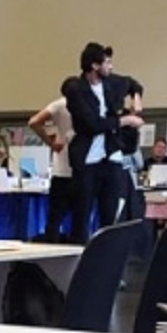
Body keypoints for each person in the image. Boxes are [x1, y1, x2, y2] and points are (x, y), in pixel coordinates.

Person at [63, 42, 144, 243]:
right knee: (82, 214)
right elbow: (92, 124)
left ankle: (107, 255)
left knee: (110, 214)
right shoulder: (76, 90)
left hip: (111, 155)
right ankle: (79, 254)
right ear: (94, 65)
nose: (111, 66)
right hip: (87, 158)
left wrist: (136, 99)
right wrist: (126, 120)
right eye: (107, 62)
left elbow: (133, 84)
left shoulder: (112, 83)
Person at [27, 76, 78, 243]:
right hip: (82, 170)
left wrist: (50, 142)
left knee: (55, 217)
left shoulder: (59, 105)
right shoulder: (87, 104)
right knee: (80, 217)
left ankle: (51, 247)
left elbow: (34, 122)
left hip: (61, 169)